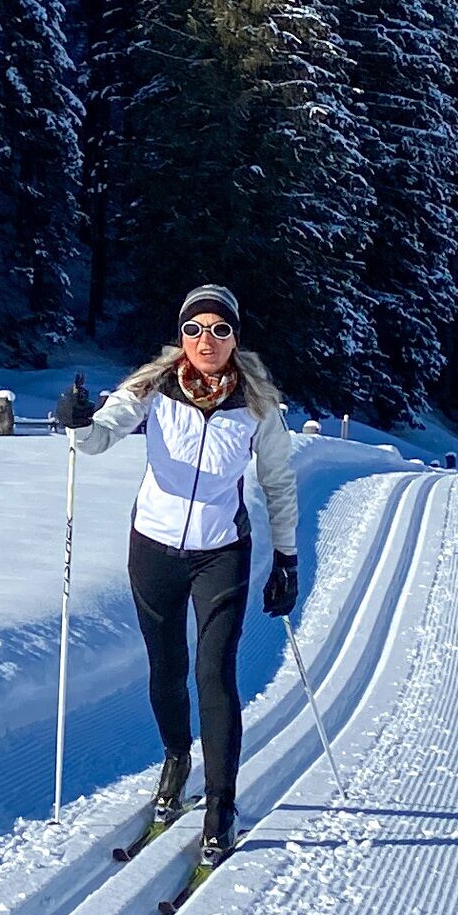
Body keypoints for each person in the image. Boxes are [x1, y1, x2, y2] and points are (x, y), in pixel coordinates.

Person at [68, 283, 302, 878]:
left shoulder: (258, 407)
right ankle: (176, 758)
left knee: (214, 674)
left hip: (221, 552)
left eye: (220, 330)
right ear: (182, 335)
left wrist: (287, 559)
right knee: (167, 669)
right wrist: (75, 422)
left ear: (236, 338)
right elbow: (97, 438)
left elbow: (277, 484)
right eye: (195, 329)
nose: (207, 341)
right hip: (153, 546)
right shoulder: (151, 389)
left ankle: (220, 808)